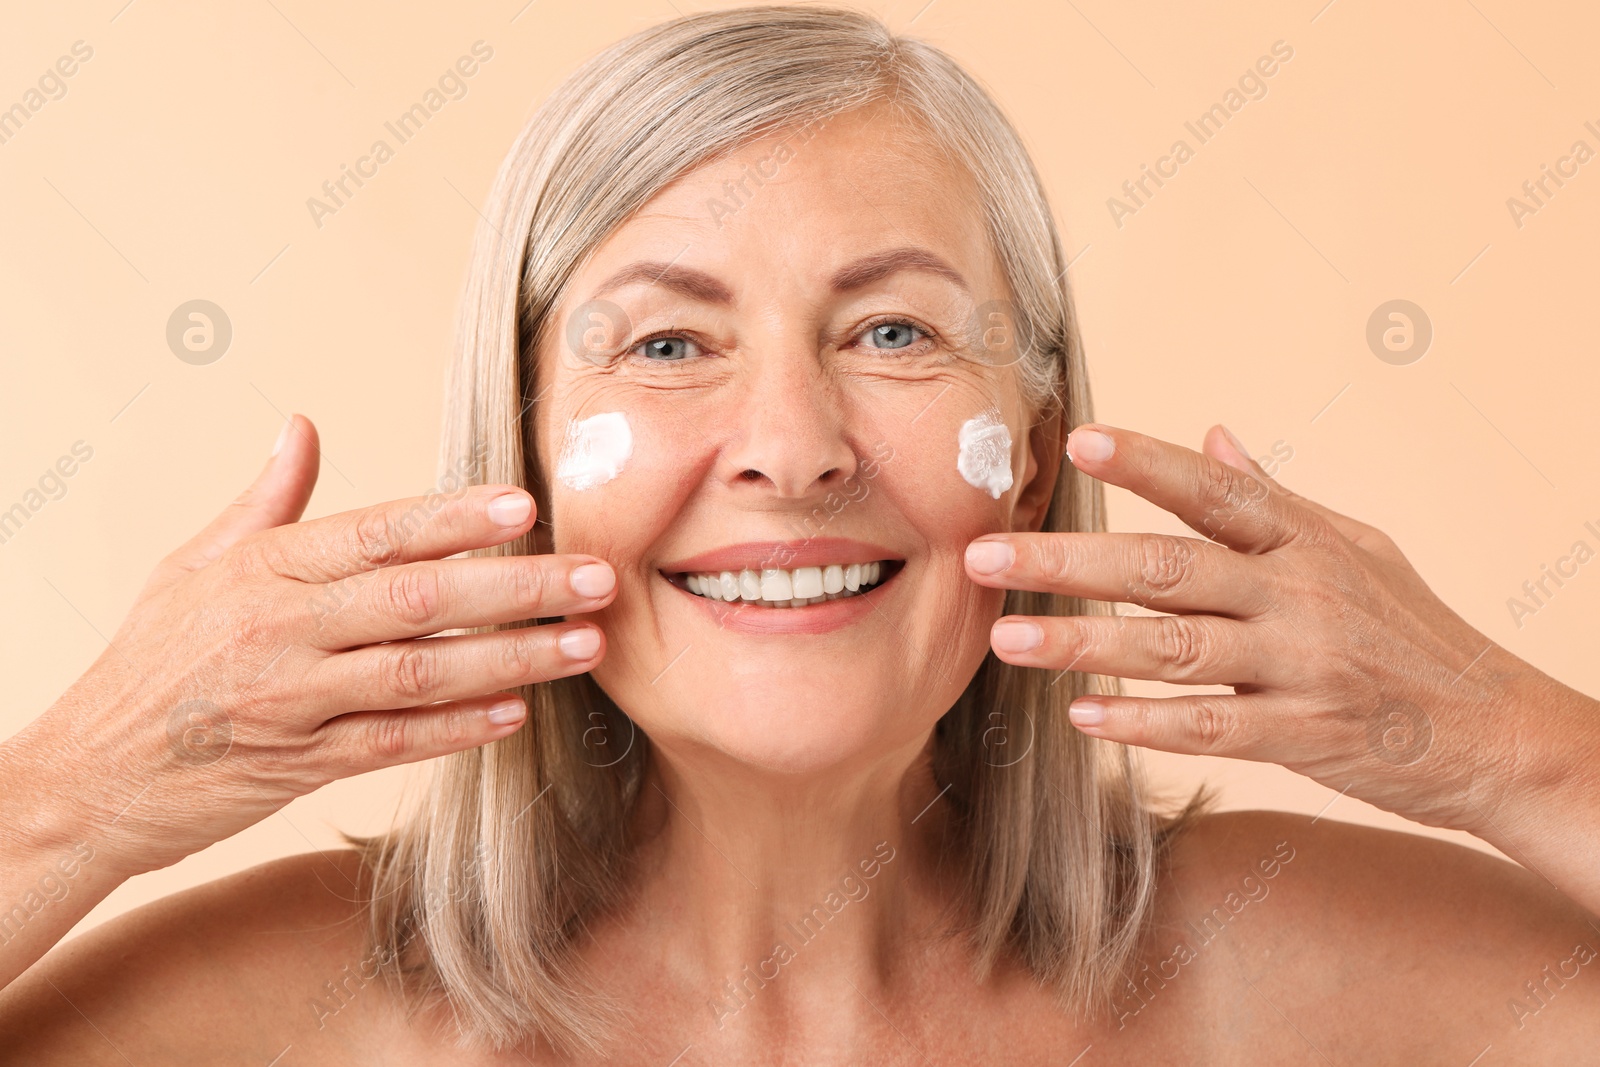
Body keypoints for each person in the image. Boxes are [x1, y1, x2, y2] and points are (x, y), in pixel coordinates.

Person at [2, 7, 1595, 1063]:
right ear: (527, 459)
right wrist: (82, 786)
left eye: (896, 334)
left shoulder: (1274, 975)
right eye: (669, 346)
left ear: (1033, 460)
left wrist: (1492, 741)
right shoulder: (284, 1020)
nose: (792, 451)